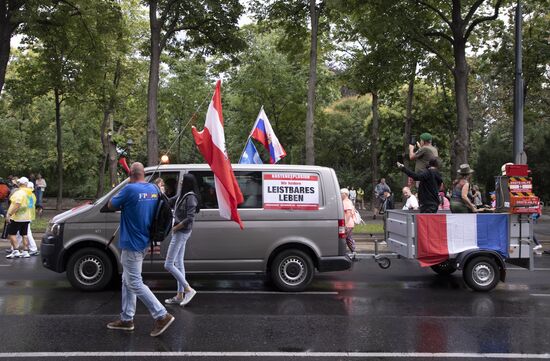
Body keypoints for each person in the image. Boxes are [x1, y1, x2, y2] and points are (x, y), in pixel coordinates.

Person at [106, 162, 175, 337]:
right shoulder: (154, 188)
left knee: (134, 282)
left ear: (131, 174)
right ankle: (127, 318)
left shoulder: (129, 189)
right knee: (127, 280)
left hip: (132, 243)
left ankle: (161, 315)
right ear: (143, 174)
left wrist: (126, 189)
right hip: (145, 241)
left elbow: (110, 205)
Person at [164, 174, 199, 306]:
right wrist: (160, 193)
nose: (180, 183)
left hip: (181, 232)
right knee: (179, 263)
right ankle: (179, 295)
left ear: (188, 183)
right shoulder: (182, 195)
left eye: (183, 181)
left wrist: (176, 227)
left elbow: (190, 218)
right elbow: (169, 201)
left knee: (168, 264)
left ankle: (188, 289)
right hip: (180, 232)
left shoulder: (190, 197)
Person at [5, 177, 32, 259]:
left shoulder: (19, 193)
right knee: (24, 234)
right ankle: (26, 251)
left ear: (20, 183)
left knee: (11, 234)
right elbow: (30, 205)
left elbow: (17, 204)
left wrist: (9, 214)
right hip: (27, 217)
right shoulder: (29, 193)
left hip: (17, 217)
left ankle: (16, 251)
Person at [341, 188, 356, 253]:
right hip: (348, 224)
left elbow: (348, 214)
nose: (340, 194)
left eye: (341, 193)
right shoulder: (346, 201)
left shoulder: (347, 202)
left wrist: (345, 224)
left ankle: (351, 251)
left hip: (348, 224)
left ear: (346, 194)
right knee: (348, 238)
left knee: (343, 238)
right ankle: (353, 251)